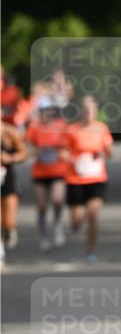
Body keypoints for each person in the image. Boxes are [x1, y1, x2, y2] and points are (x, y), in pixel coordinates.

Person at [62, 95, 113, 263]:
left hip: (96, 177)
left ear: (96, 112)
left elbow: (109, 152)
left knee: (93, 214)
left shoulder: (102, 129)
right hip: (75, 178)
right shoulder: (72, 129)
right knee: (76, 220)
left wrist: (105, 151)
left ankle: (90, 249)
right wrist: (74, 159)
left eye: (91, 110)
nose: (88, 113)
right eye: (85, 110)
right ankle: (77, 220)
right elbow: (62, 151)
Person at [25, 96, 68, 250]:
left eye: (48, 110)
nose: (46, 113)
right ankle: (43, 236)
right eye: (43, 110)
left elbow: (68, 147)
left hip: (58, 170)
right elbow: (28, 148)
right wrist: (36, 151)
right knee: (42, 206)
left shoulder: (61, 126)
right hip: (40, 172)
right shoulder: (34, 127)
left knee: (57, 199)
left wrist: (59, 151)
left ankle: (57, 223)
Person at [1, 120, 28, 260]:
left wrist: (10, 158)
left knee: (8, 219)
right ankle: (0, 252)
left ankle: (10, 230)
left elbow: (24, 153)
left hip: (7, 179)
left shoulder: (9, 132)